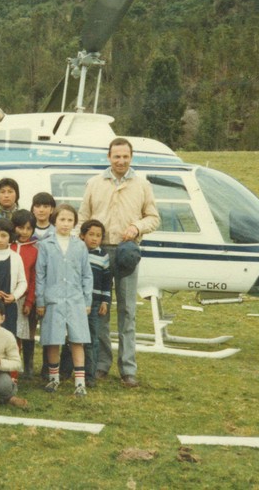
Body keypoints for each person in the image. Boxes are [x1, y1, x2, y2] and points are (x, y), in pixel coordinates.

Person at [77, 137, 159, 388]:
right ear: (109, 157)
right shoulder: (94, 183)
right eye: (116, 156)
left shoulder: (142, 184)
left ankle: (128, 368)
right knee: (100, 309)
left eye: (125, 156)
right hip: (98, 252)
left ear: (131, 157)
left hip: (126, 252)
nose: (121, 161)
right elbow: (83, 216)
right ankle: (101, 363)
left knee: (126, 310)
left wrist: (137, 226)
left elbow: (154, 217)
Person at [36, 204, 93, 396]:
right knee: (53, 339)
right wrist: (41, 301)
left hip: (75, 300)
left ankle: (79, 382)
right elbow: (40, 275)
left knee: (77, 340)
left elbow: (86, 274)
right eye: (62, 219)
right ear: (54, 221)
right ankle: (54, 378)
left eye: (70, 220)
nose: (66, 224)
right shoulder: (45, 245)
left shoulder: (80, 245)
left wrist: (87, 300)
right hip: (53, 299)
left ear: (75, 223)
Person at [79, 219, 112, 388]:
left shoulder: (103, 257)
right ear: (82, 235)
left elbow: (107, 282)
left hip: (94, 303)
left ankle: (90, 376)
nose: (94, 238)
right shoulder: (77, 252)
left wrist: (105, 301)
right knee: (73, 338)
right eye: (91, 234)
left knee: (92, 338)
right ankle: (65, 370)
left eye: (98, 236)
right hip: (76, 302)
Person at [10, 209, 38, 379]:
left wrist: (29, 301)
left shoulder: (34, 250)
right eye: (20, 228)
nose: (24, 232)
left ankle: (15, 370)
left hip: (21, 300)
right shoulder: (7, 245)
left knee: (19, 336)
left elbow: (33, 278)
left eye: (28, 228)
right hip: (5, 299)